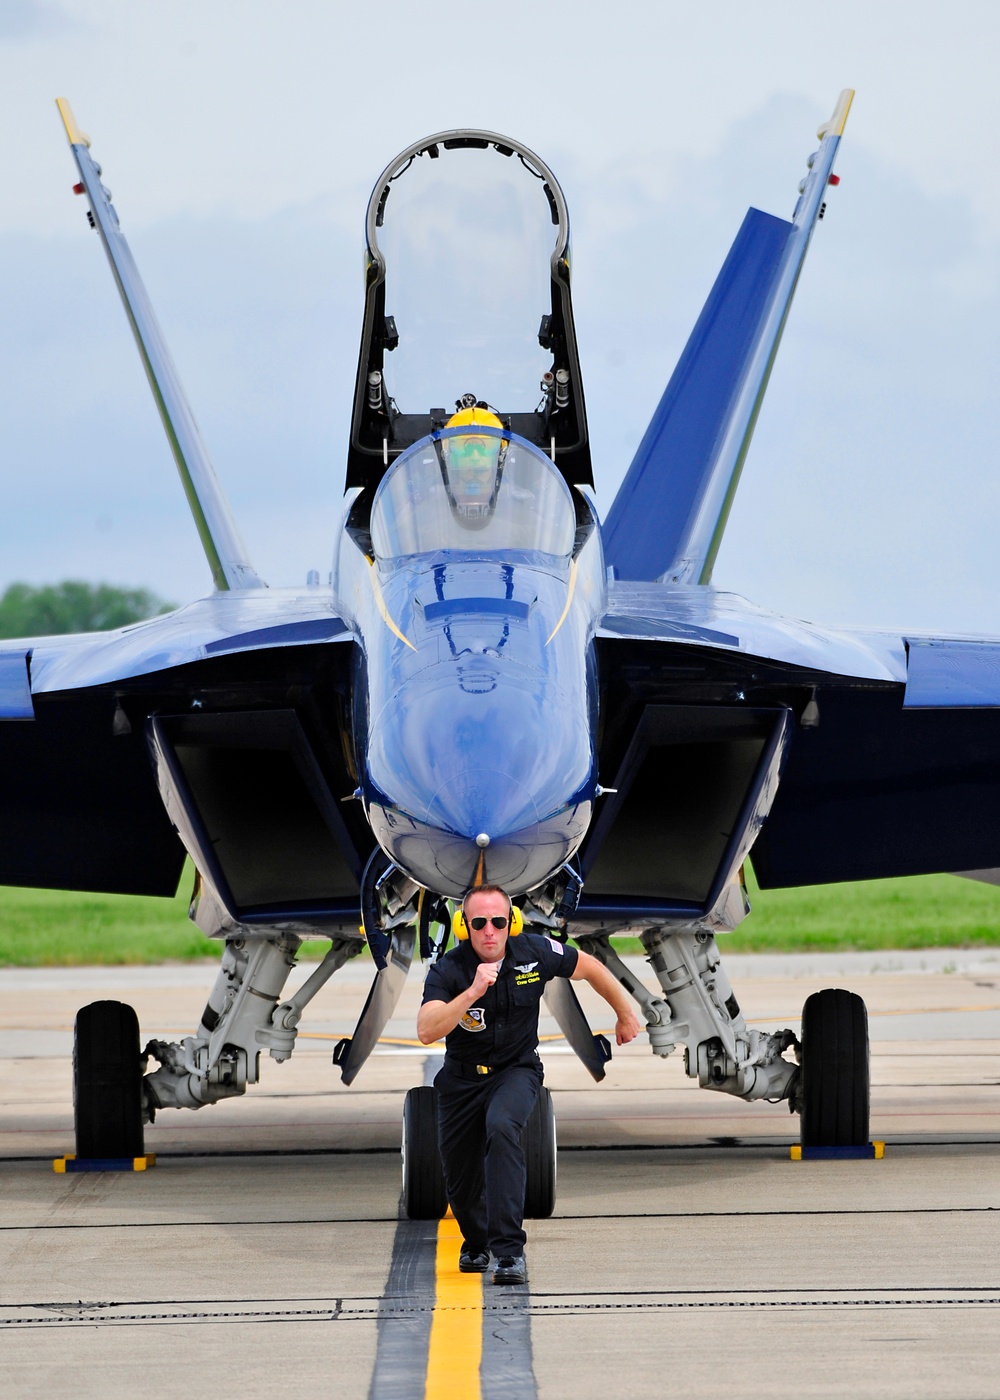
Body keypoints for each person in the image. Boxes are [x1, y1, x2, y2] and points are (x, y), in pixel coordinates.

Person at [417, 882, 642, 1285]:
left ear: (512, 923)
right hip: (461, 1080)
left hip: (516, 1071)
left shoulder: (534, 953)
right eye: (479, 922)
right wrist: (472, 991)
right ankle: (477, 1239)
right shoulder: (449, 969)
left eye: (498, 922)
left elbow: (589, 966)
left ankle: (508, 1253)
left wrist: (624, 1013)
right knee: (460, 1177)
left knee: (503, 1129)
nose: (489, 931)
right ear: (464, 925)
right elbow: (426, 1030)